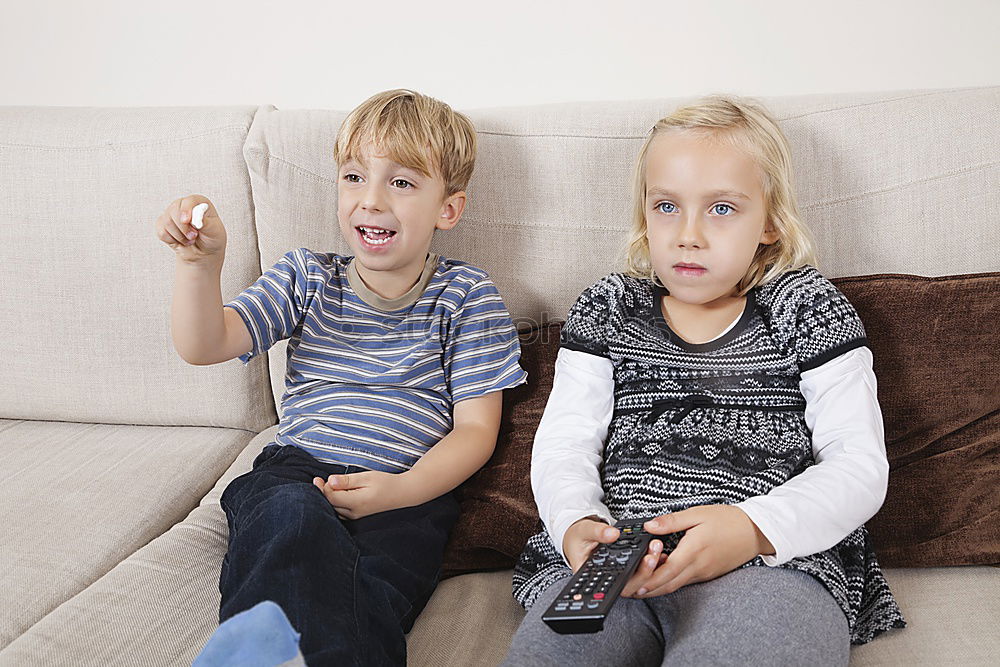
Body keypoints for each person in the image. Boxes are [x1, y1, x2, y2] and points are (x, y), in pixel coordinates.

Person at [503, 95, 905, 666]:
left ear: (769, 222)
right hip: (619, 559)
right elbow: (565, 445)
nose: (688, 234)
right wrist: (577, 525)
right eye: (667, 206)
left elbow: (859, 465)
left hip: (769, 565)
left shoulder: (806, 306)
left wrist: (751, 527)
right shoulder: (609, 307)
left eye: (721, 209)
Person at [154, 89, 527, 666]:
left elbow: (476, 430)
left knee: (370, 595)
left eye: (401, 183)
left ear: (447, 209)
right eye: (354, 177)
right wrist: (199, 266)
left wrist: (404, 490)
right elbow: (204, 345)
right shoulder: (306, 277)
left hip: (407, 491)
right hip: (297, 473)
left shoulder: (467, 295)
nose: (370, 200)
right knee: (291, 521)